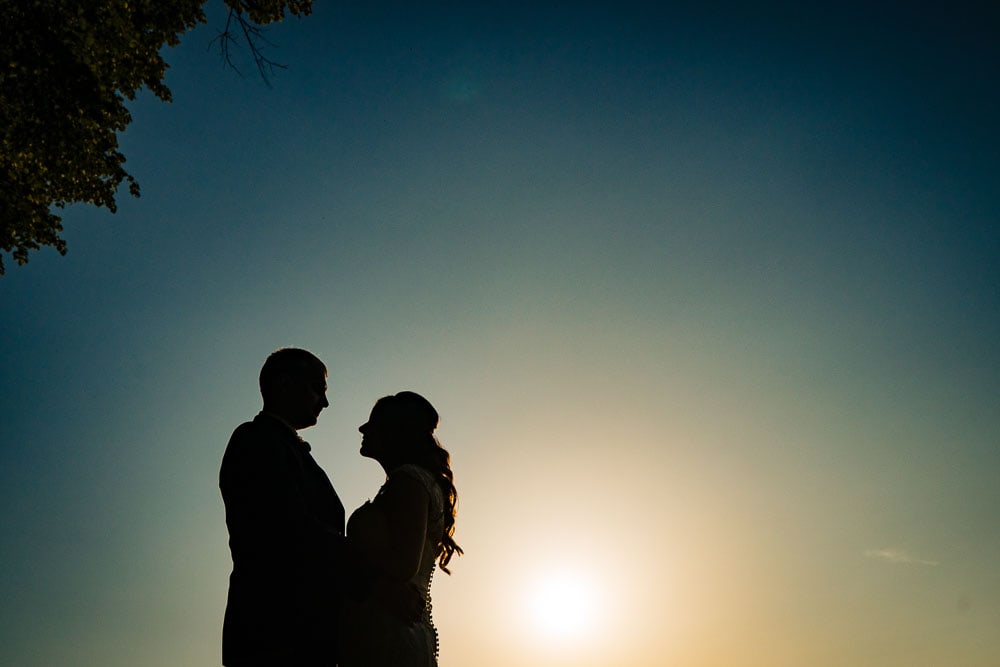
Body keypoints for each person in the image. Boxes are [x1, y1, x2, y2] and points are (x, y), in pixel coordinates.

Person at [219, 348, 348, 666]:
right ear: (284, 383)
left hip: (303, 632)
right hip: (273, 631)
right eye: (318, 389)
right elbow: (290, 528)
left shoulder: (287, 447)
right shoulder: (256, 440)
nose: (325, 402)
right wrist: (371, 566)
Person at [338, 391, 463, 667]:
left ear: (395, 432)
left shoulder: (409, 481)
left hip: (389, 631)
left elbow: (404, 564)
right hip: (389, 624)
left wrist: (342, 550)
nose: (363, 429)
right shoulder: (406, 482)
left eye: (373, 423)